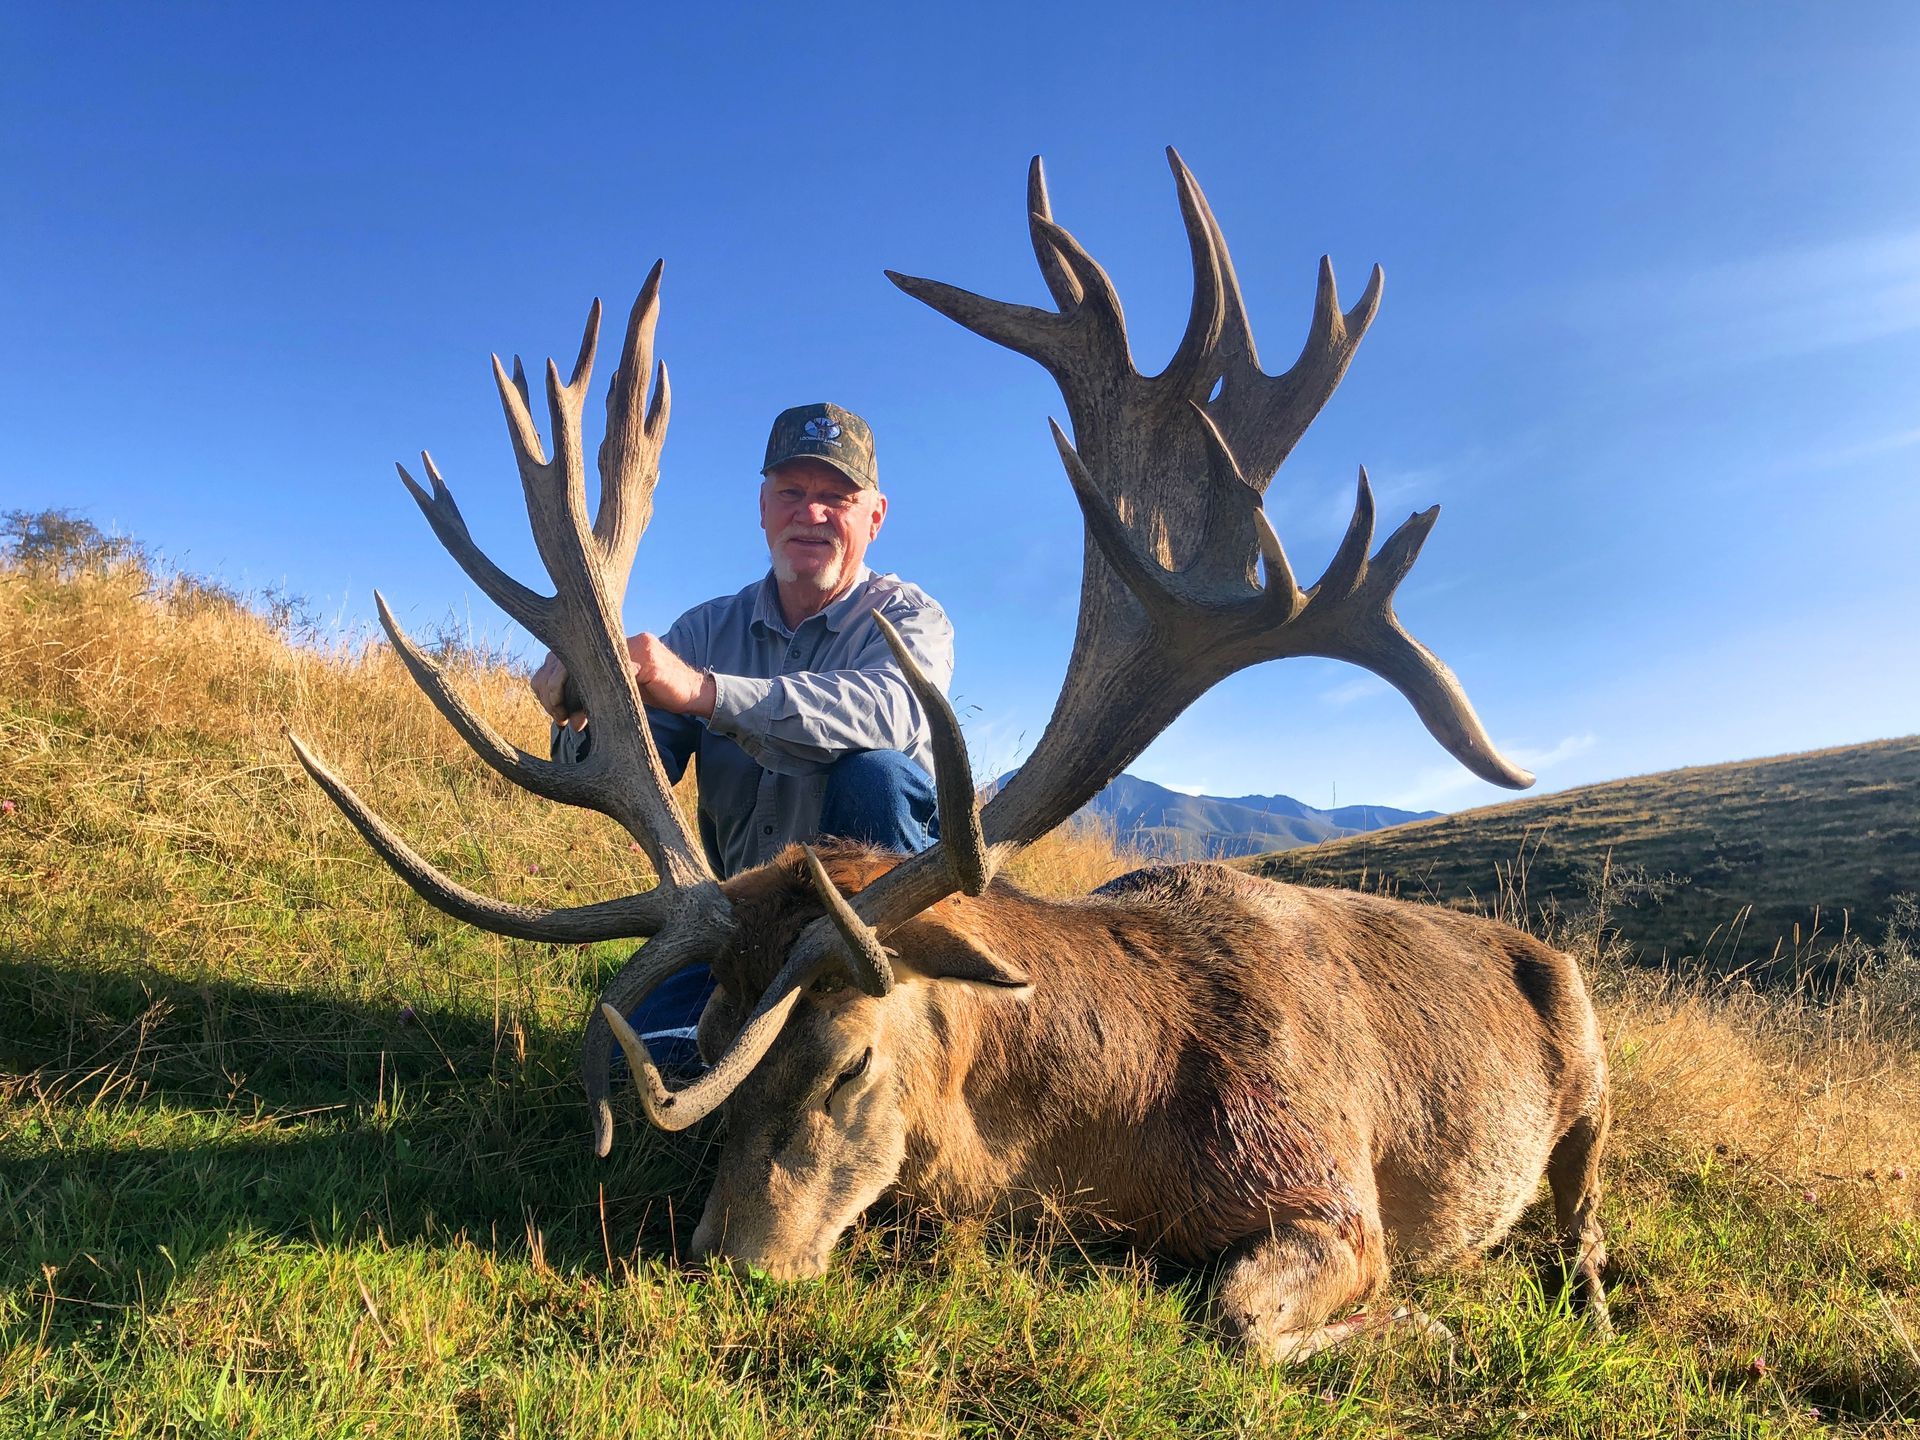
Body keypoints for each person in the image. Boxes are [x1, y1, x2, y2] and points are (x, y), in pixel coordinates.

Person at [530, 401, 953, 1074]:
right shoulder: (706, 630)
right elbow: (638, 758)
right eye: (792, 492)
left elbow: (891, 713)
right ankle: (755, 1045)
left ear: (874, 516)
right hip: (744, 931)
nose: (810, 514)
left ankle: (875, 1035)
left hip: (875, 943)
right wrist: (583, 710)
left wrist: (708, 694)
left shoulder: (908, 619)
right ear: (763, 507)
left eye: (836, 498)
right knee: (624, 1060)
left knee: (875, 774)